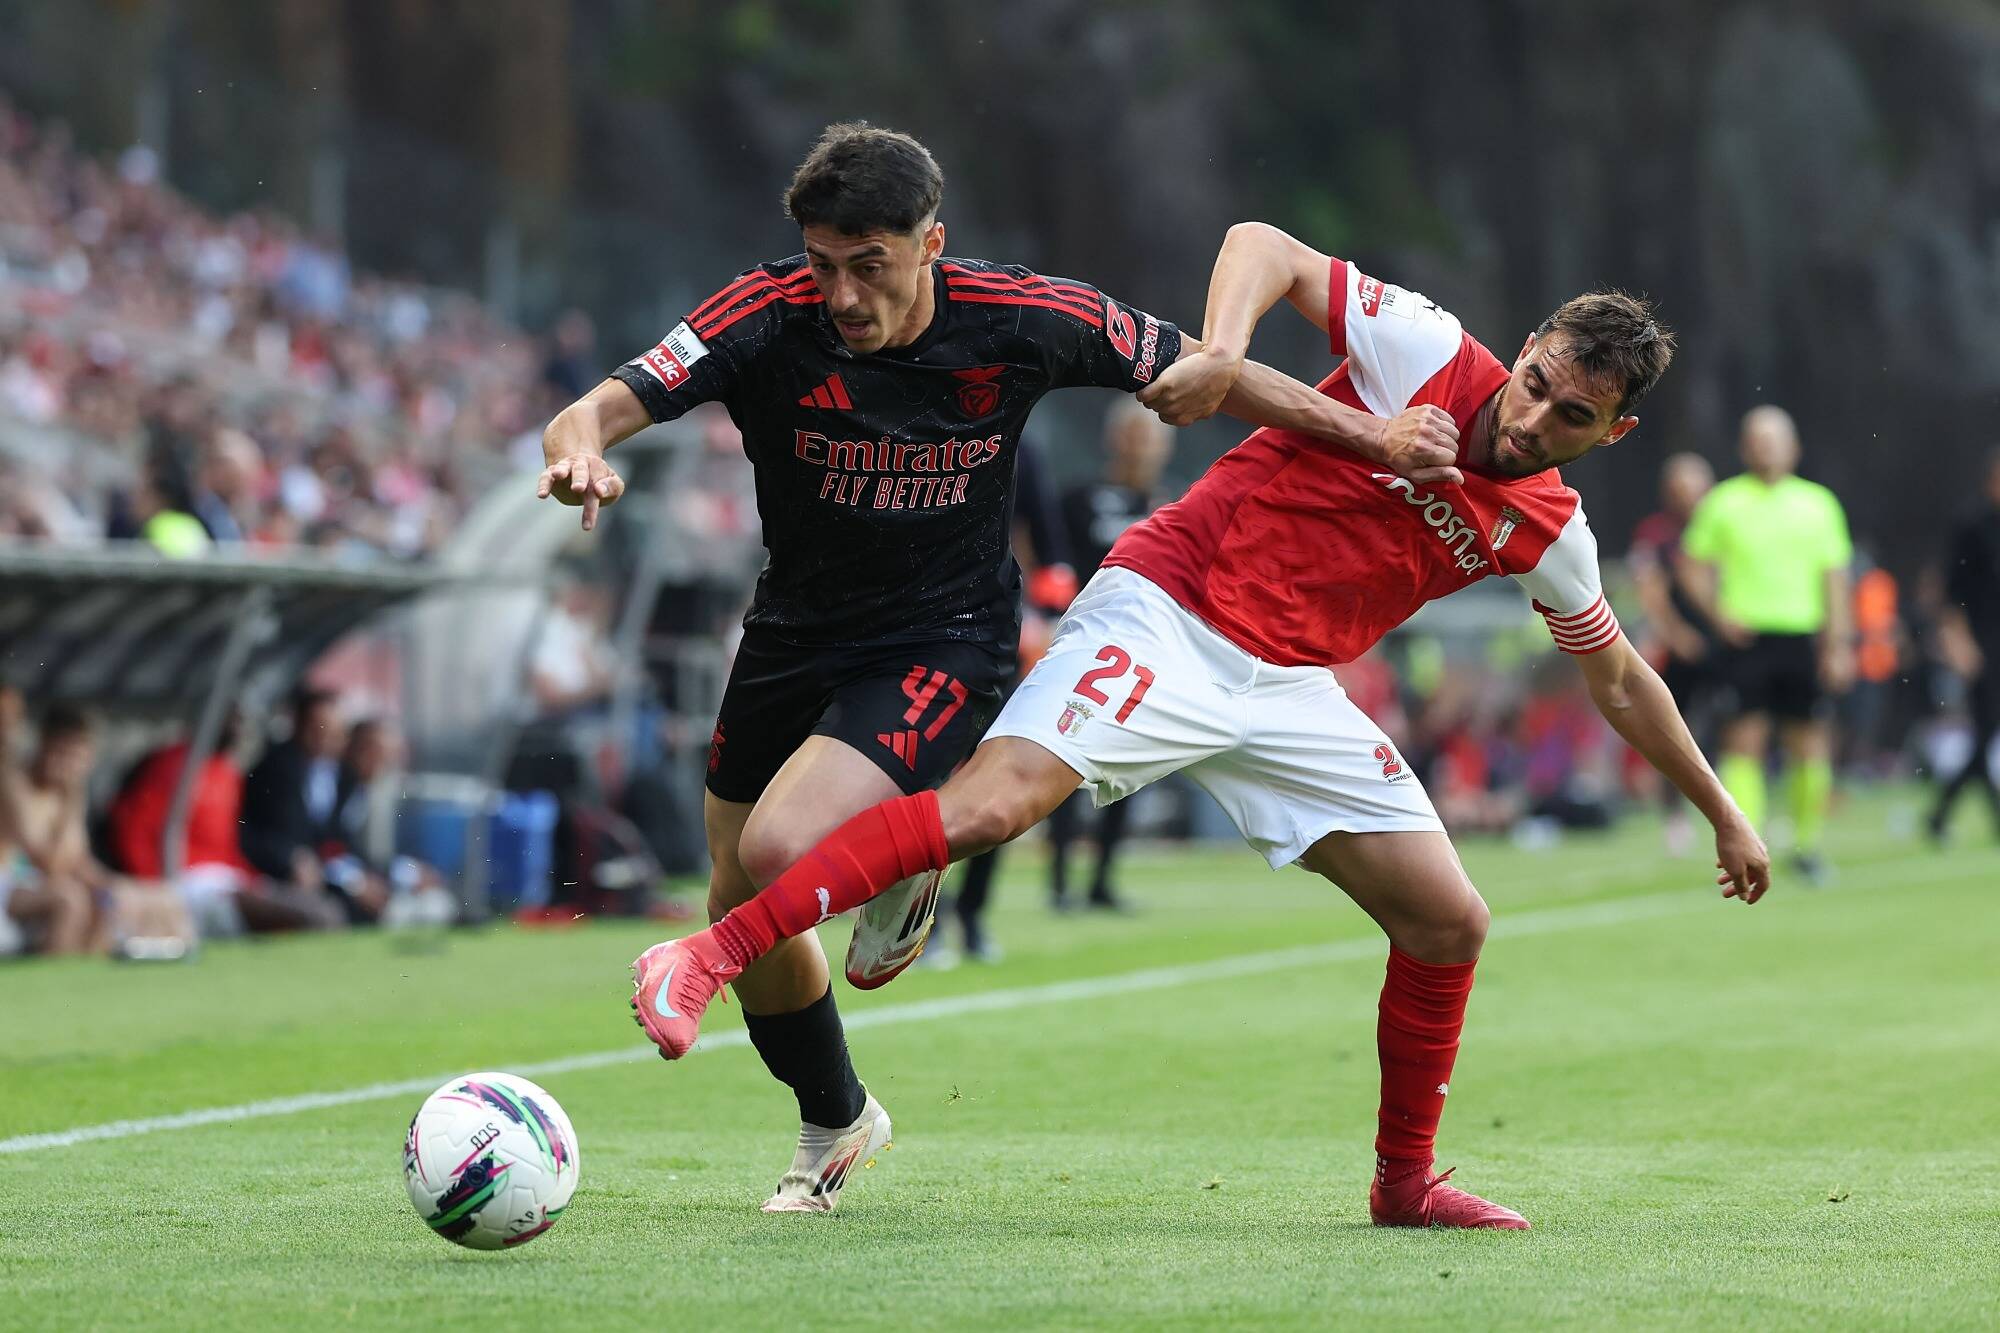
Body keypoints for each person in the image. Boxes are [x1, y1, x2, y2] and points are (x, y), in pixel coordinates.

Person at [636, 221, 1771, 1232]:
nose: (1526, 419)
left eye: (1569, 415)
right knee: (992, 806)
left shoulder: (1551, 532)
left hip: (1285, 688)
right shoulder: (1425, 351)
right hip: (1169, 607)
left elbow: (1621, 681)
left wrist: (1722, 814)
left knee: (1447, 920)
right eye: (1530, 382)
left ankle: (1404, 1185)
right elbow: (1262, 244)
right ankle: (709, 952)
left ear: (1611, 433)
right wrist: (1224, 348)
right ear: (1519, 348)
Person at [541, 126, 1457, 1213]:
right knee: (743, 889)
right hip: (790, 632)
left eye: (868, 264)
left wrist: (1375, 437)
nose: (839, 293)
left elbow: (1209, 372)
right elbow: (599, 403)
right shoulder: (760, 312)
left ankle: (907, 838)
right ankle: (836, 1117)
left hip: (943, 637)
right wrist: (578, 446)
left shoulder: (1024, 315)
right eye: (821, 262)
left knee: (787, 852)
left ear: (932, 242)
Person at [1681, 407, 1853, 883]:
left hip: (1801, 637)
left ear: (1794, 447)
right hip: (1748, 640)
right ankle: (1747, 843)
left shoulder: (1819, 504)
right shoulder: (1724, 502)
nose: (1766, 447)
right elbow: (1691, 566)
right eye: (1757, 439)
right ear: (1744, 447)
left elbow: (1835, 580)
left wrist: (1838, 644)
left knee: (1808, 744)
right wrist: (1719, 615)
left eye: (1774, 439)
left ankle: (1807, 846)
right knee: (1745, 742)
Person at [1046, 399, 1177, 910]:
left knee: (1132, 766)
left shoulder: (1170, 507)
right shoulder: (1079, 499)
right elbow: (1049, 560)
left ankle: (1101, 880)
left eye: (1152, 439)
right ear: (1113, 440)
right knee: (1063, 757)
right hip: (1080, 647)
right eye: (1135, 436)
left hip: (1144, 653)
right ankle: (1059, 881)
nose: (1143, 447)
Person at [0, 705, 193, 955]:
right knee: (70, 900)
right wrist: (71, 798)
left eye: (76, 757)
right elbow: (49, 861)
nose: (67, 765)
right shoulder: (16, 784)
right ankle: (55, 977)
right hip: (10, 881)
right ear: (43, 745)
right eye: (61, 753)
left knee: (118, 897)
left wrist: (114, 884)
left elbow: (76, 858)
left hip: (40, 882)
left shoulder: (68, 789)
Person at [1628, 452, 1716, 853]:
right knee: (1673, 730)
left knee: (1728, 727)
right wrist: (1677, 636)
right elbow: (1651, 592)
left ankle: (1734, 808)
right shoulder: (1655, 535)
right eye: (1683, 490)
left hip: (1722, 642)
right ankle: (1674, 816)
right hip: (1676, 648)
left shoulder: (1722, 526)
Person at [241, 688, 383, 924]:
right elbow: (252, 834)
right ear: (299, 725)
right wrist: (291, 859)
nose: (326, 736)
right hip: (276, 877)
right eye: (319, 727)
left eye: (334, 729)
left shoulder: (344, 777)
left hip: (325, 878)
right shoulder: (273, 769)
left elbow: (338, 842)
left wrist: (357, 878)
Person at [1928, 449, 2000, 839]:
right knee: (1986, 729)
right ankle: (1943, 813)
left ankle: (1940, 815)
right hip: (1981, 642)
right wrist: (1958, 641)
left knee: (1987, 734)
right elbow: (1951, 594)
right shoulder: (1971, 525)